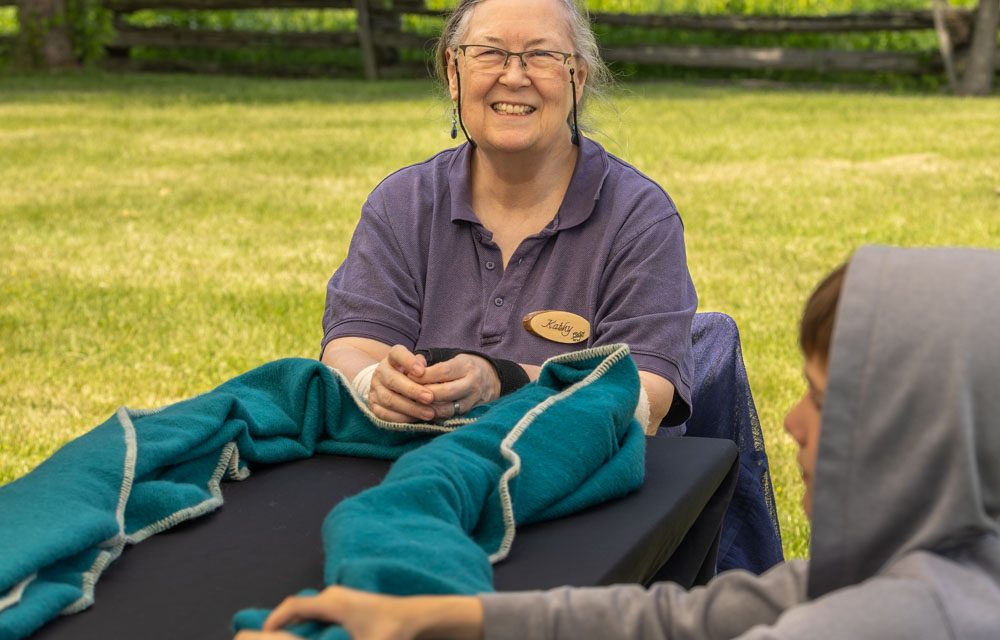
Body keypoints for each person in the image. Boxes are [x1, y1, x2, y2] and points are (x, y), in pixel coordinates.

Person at [235, 245, 1000, 638]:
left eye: (825, 402)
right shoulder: (942, 565)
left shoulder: (889, 622)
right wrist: (444, 618)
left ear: (927, 433)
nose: (793, 422)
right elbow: (686, 622)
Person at [319, 0, 697, 435]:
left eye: (541, 55)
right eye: (489, 52)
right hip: (422, 472)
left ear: (578, 77)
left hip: (584, 484)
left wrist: (504, 380)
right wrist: (375, 384)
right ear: (453, 72)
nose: (514, 77)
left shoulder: (639, 217)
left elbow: (648, 400)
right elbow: (350, 347)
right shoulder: (402, 204)